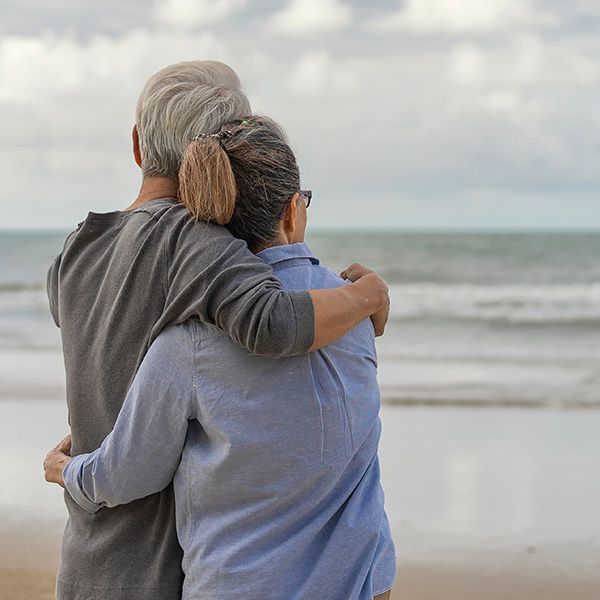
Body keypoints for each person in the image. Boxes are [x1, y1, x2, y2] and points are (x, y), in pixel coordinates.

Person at [45, 61, 390, 600]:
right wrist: (368, 295)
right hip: (156, 568)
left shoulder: (78, 249)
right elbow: (274, 322)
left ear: (138, 146)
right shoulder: (195, 243)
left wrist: (74, 466)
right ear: (214, 168)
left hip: (89, 552)